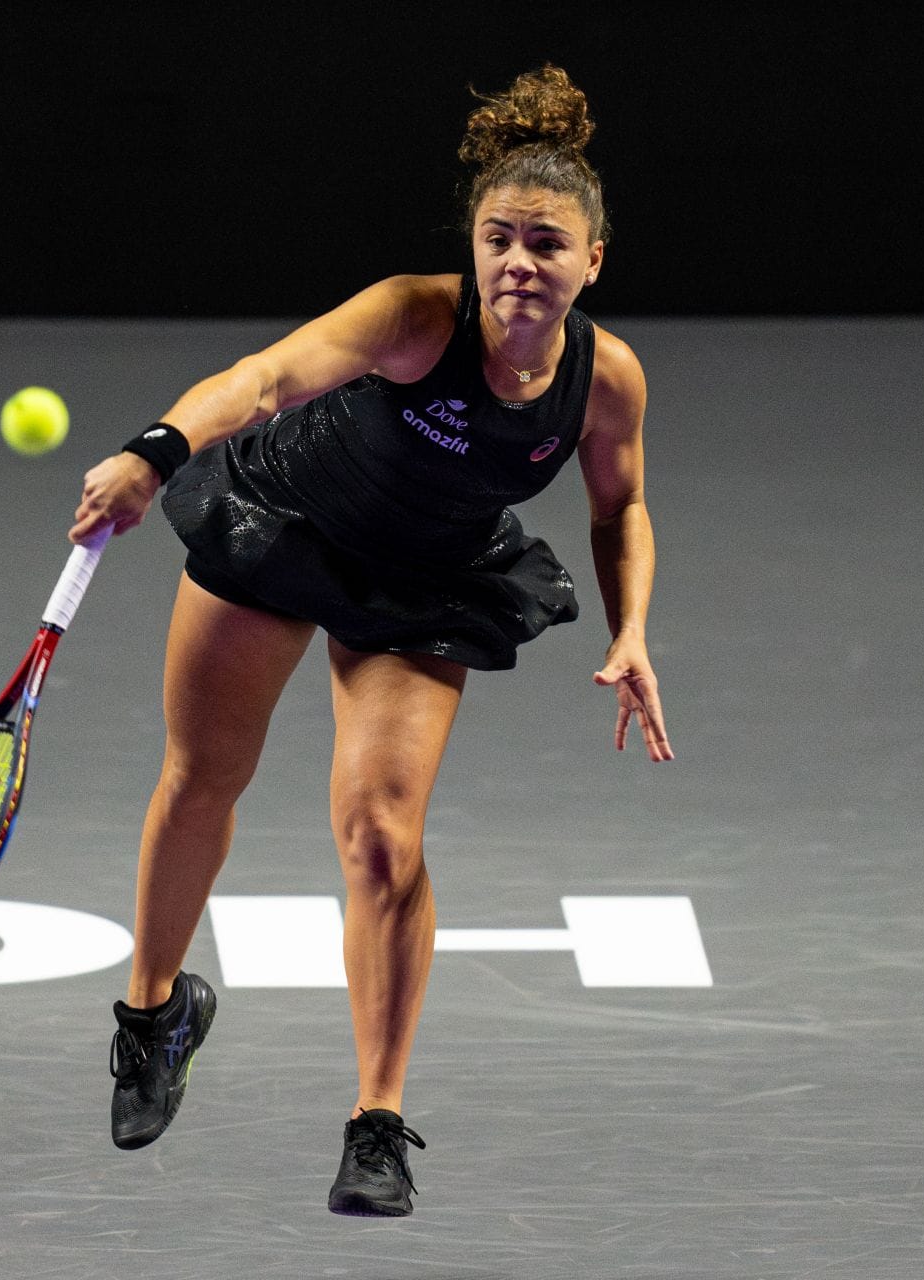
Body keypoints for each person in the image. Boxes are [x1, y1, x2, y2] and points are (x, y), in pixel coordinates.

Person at [70, 65, 671, 1218]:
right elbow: (265, 378)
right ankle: (154, 1013)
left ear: (593, 260)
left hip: (429, 578)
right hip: (282, 524)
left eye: (547, 243)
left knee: (384, 837)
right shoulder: (413, 314)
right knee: (204, 777)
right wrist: (157, 449)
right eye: (499, 237)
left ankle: (377, 1122)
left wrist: (634, 625)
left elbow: (619, 506)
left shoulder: (607, 382)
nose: (517, 263)